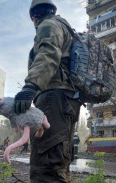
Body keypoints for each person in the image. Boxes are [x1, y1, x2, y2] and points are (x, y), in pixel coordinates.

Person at [13, 0, 82, 182]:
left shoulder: (48, 25)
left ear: (34, 17)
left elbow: (49, 53)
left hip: (54, 98)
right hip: (67, 100)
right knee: (60, 163)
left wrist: (30, 86)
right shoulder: (64, 27)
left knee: (47, 166)